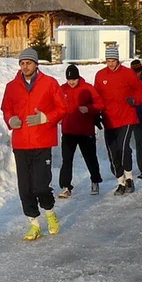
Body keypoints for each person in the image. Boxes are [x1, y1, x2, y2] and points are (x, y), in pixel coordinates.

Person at [1, 48, 69, 241]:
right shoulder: (11, 86)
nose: (25, 66)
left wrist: (45, 117)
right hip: (21, 142)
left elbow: (63, 108)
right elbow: (6, 108)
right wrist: (10, 119)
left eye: (28, 63)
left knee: (40, 186)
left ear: (36, 64)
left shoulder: (49, 83)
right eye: (22, 63)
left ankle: (50, 213)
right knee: (25, 188)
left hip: (42, 141)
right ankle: (34, 224)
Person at [93, 45, 142, 195]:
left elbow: (141, 90)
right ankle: (120, 181)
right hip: (109, 118)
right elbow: (96, 97)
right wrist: (96, 114)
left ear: (118, 60)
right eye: (108, 60)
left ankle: (129, 178)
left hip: (126, 116)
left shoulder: (128, 74)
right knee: (112, 151)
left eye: (113, 60)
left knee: (123, 148)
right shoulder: (100, 75)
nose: (110, 63)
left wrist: (134, 100)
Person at [58, 64, 104, 198]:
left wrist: (88, 108)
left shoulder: (88, 88)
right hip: (68, 131)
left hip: (85, 131)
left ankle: (95, 181)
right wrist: (59, 117)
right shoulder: (62, 89)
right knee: (66, 159)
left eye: (74, 79)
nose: (71, 82)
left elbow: (100, 105)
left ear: (78, 77)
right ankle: (66, 186)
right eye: (69, 79)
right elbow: (56, 105)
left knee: (90, 158)